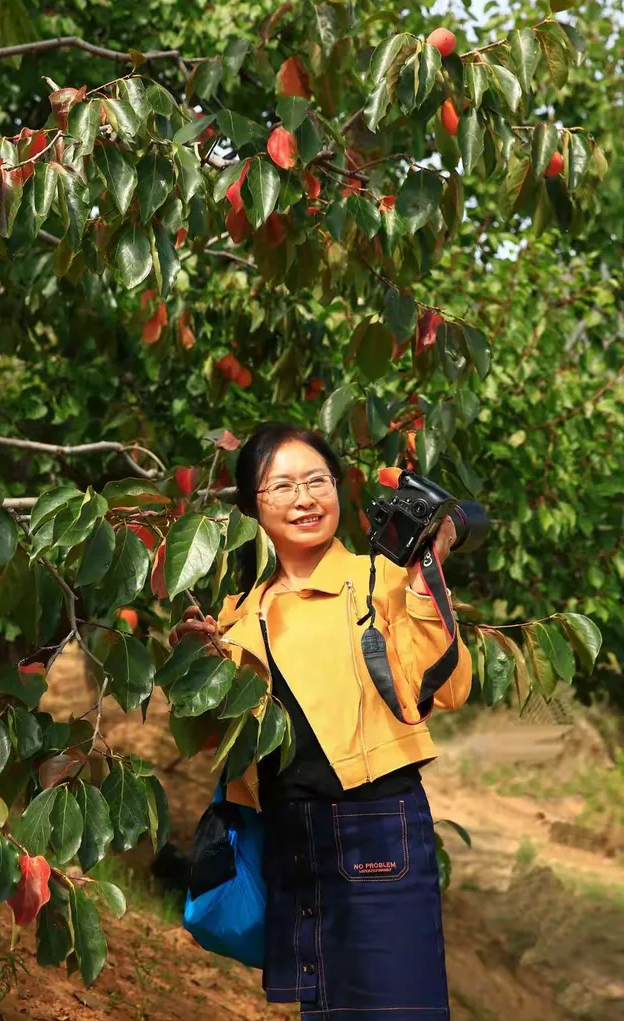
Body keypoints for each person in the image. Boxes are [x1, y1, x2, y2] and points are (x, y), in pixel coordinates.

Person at [171, 422, 473, 1020]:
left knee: (399, 1010)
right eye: (282, 486)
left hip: (376, 828)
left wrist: (423, 585)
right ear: (252, 507)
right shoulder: (237, 612)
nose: (304, 499)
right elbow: (214, 739)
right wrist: (195, 666)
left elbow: (451, 687)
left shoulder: (379, 579)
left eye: (317, 481)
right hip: (290, 836)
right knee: (329, 1012)